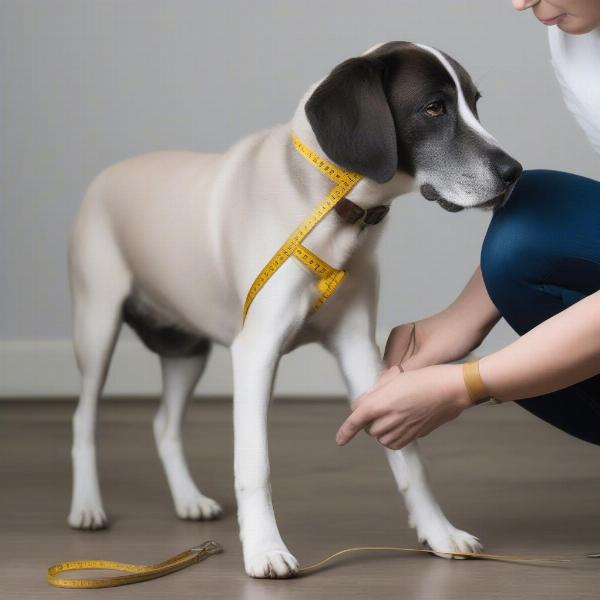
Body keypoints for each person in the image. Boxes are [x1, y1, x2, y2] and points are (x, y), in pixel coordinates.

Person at [336, 0, 600, 450]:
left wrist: (465, 385)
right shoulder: (574, 38)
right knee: (529, 221)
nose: (521, 3)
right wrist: (459, 320)